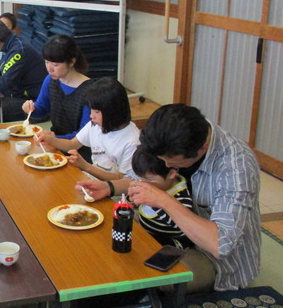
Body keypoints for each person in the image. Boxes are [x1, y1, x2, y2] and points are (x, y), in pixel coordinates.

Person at [79, 104, 261, 292]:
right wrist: (108, 187)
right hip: (171, 233)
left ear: (201, 150)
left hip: (214, 257)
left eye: (172, 163)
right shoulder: (169, 136)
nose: (166, 165)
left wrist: (164, 200)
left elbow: (220, 243)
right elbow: (143, 179)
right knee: (109, 229)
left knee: (149, 275)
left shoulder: (236, 168)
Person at [36, 76, 139, 180]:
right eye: (91, 110)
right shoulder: (96, 125)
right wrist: (51, 140)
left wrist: (86, 166)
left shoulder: (131, 142)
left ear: (113, 111)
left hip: (114, 193)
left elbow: (123, 181)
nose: (91, 116)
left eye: (97, 112)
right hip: (93, 180)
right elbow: (72, 144)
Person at [22, 34, 93, 142]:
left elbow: (84, 135)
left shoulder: (89, 91)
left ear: (72, 62)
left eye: (55, 65)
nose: (49, 69)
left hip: (77, 149)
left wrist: (54, 139)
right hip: (54, 140)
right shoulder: (50, 80)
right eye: (46, 62)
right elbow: (42, 108)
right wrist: (31, 108)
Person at [130, 147, 194, 250]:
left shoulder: (181, 198)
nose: (143, 183)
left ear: (171, 174)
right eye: (141, 178)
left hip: (172, 243)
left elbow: (182, 226)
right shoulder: (155, 183)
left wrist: (154, 202)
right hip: (147, 228)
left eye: (150, 179)